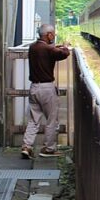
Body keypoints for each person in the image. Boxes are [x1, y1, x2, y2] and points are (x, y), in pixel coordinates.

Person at [23, 23, 71, 158]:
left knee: (33, 119)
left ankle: (27, 146)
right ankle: (49, 149)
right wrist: (65, 46)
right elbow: (63, 54)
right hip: (46, 89)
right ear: (48, 35)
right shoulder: (48, 49)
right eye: (53, 34)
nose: (54, 36)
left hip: (33, 88)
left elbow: (50, 50)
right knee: (51, 120)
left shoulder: (33, 47)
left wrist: (57, 46)